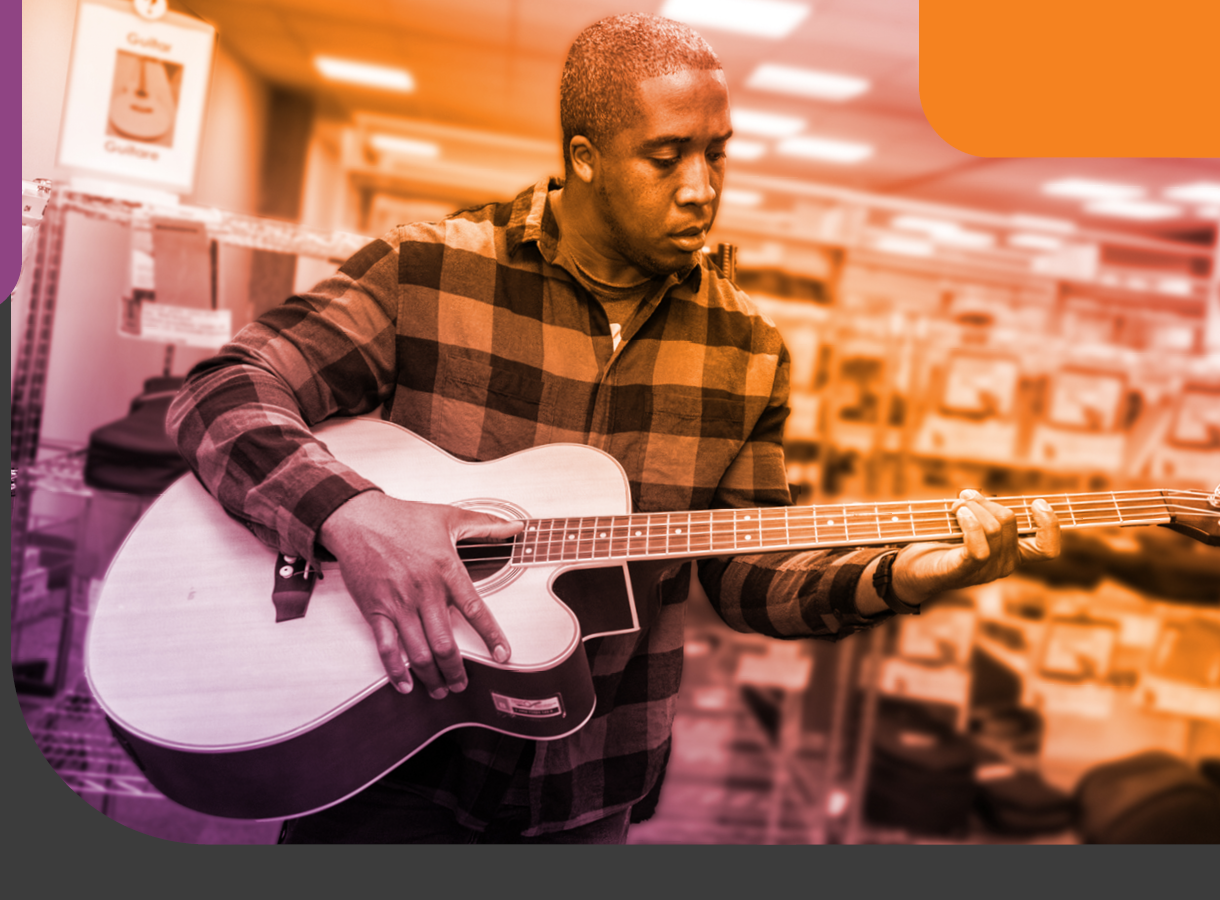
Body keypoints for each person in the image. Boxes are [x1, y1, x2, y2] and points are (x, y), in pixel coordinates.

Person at [166, 12, 1061, 844]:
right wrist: (352, 516)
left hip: (587, 787)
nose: (701, 188)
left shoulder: (745, 348)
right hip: (386, 750)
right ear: (586, 156)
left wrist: (913, 571)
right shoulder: (432, 271)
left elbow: (751, 579)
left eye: (717, 153)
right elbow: (221, 390)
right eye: (666, 156)